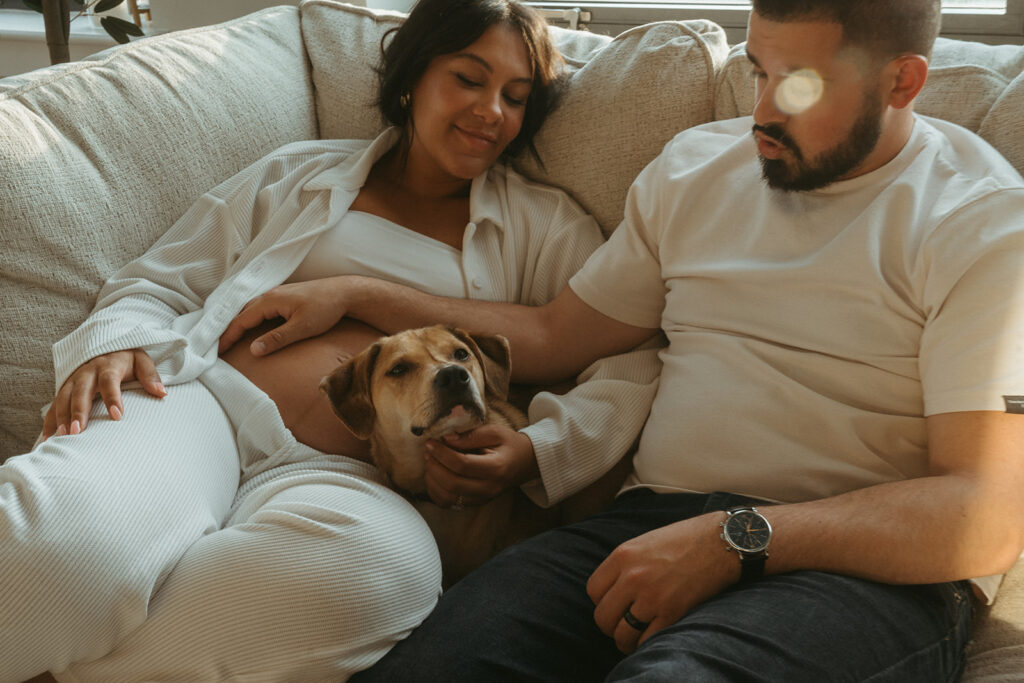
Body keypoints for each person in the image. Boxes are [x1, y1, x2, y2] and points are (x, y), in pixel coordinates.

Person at [233, 0, 1024, 680]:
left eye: (800, 84)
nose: (762, 112)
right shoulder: (696, 168)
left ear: (903, 82)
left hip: (855, 574)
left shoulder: (982, 224)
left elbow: (987, 512)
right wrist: (358, 293)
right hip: (642, 529)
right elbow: (553, 336)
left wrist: (736, 539)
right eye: (757, 71)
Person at [0, 1, 661, 680]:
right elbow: (162, 279)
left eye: (516, 97)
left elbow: (628, 357)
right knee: (60, 549)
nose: (492, 110)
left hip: (354, 478)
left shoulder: (542, 225)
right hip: (203, 403)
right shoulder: (300, 175)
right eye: (469, 78)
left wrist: (538, 450)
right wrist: (112, 340)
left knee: (382, 575)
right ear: (413, 74)